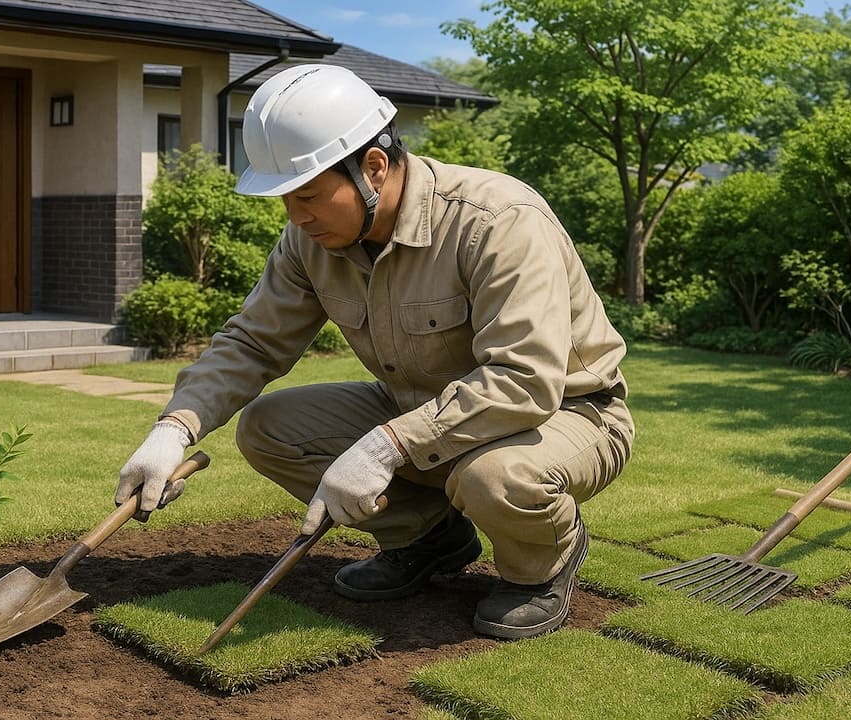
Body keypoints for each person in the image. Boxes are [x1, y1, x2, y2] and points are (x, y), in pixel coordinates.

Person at [115, 64, 634, 639]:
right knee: (268, 429)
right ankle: (428, 539)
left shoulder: (498, 222)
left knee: (494, 477)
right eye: (285, 199)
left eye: (308, 195)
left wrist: (387, 446)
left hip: (565, 414)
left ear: (374, 167)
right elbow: (254, 341)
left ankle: (542, 565)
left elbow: (524, 380)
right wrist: (175, 429)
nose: (296, 216)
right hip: (423, 411)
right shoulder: (309, 241)